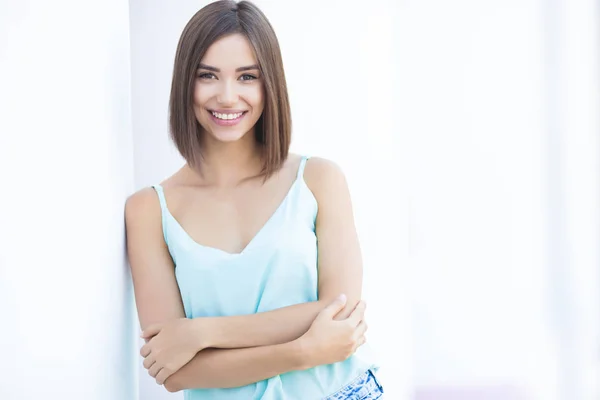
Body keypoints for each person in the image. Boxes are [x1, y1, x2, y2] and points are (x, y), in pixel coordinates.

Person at [124, 1, 383, 398]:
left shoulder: (318, 180)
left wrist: (200, 332)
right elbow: (174, 370)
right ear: (185, 84)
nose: (228, 96)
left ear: (270, 85)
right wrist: (302, 351)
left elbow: (340, 310)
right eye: (208, 76)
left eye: (247, 77)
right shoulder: (148, 210)